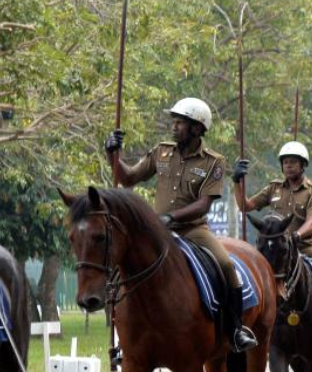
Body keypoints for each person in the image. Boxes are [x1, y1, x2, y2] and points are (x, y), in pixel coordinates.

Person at [105, 97, 258, 352]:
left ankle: (234, 329)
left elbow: (204, 205)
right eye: (174, 122)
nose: (174, 127)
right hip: (157, 231)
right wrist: (112, 154)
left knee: (227, 266)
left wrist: (173, 218)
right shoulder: (161, 152)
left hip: (193, 230)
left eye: (180, 123)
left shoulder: (213, 161)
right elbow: (127, 177)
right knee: (120, 264)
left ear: (197, 128)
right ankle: (124, 336)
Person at [236, 141, 312, 347]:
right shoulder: (273, 188)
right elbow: (245, 206)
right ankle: (243, 326)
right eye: (286, 162)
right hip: (274, 250)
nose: (289, 166)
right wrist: (237, 181)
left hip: (305, 246)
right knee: (243, 275)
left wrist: (296, 236)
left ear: (303, 166)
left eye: (294, 162)